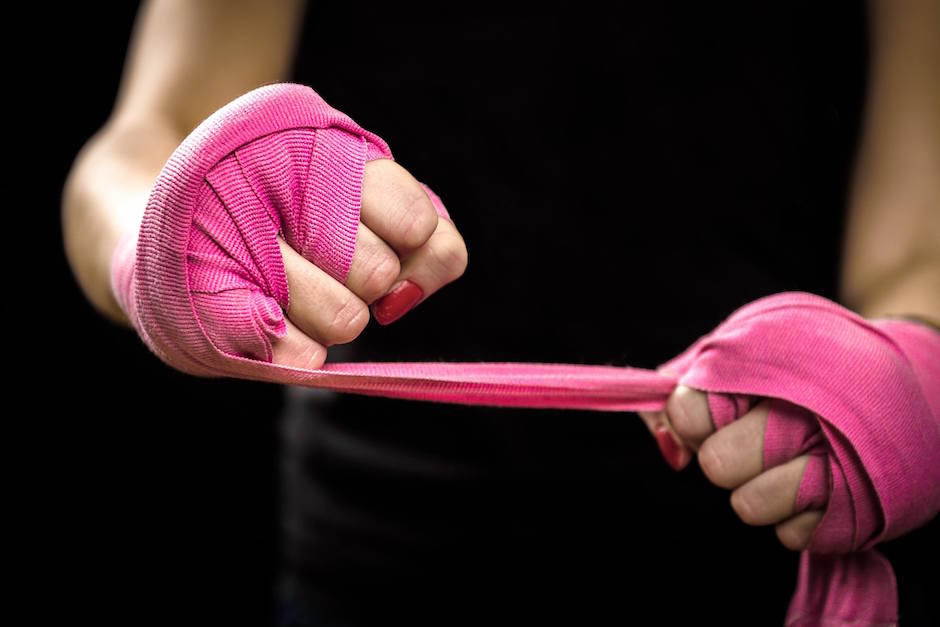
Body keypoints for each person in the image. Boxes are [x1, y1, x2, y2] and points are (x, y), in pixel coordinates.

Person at [62, 1, 939, 624]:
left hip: (759, 550)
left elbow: (919, 251)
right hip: (376, 561)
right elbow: (141, 138)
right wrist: (157, 244)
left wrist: (908, 371)